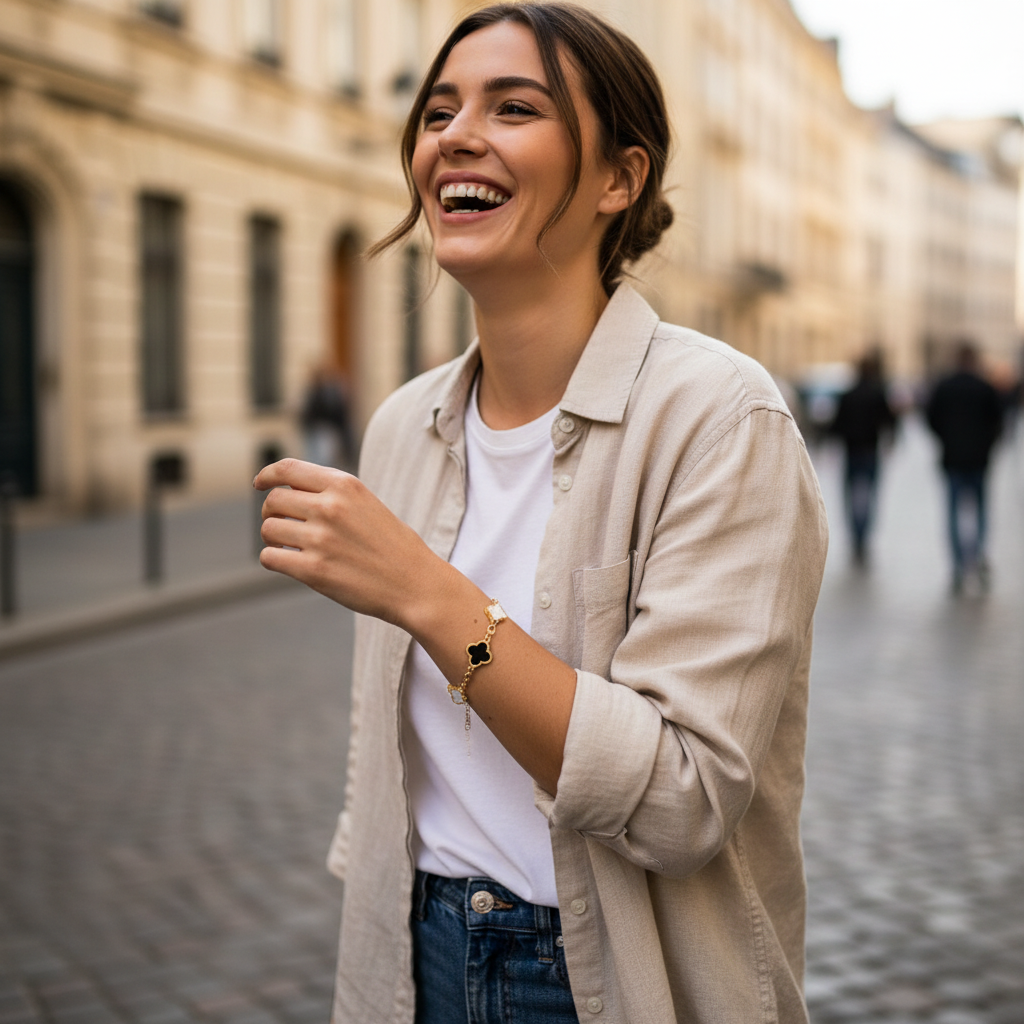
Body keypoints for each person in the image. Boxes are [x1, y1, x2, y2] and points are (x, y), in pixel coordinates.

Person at [254, 4, 828, 1022]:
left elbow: (681, 798)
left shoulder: (716, 419)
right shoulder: (401, 427)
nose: (454, 135)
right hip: (412, 951)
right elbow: (388, 764)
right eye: (437, 110)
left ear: (619, 178)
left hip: (603, 968)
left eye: (513, 107)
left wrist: (425, 593)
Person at [926, 340, 1003, 593]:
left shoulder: (944, 386)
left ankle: (959, 564)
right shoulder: (985, 387)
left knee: (953, 513)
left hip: (953, 458)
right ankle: (977, 555)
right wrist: (987, 444)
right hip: (979, 460)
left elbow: (931, 418)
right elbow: (998, 423)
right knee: (979, 511)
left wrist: (947, 439)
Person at [830, 351, 897, 563]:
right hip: (870, 450)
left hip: (851, 451)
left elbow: (836, 425)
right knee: (869, 496)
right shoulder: (878, 393)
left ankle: (855, 536)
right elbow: (889, 421)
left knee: (850, 496)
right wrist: (890, 441)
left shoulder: (847, 395)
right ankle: (864, 536)